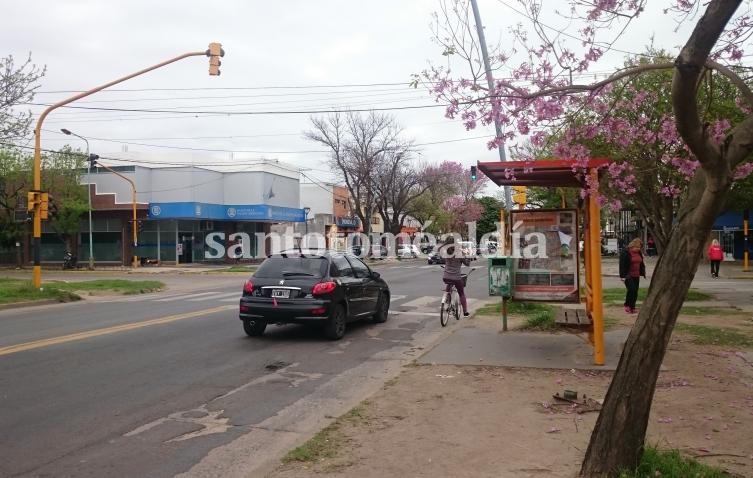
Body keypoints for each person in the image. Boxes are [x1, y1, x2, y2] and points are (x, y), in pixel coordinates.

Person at [440, 236, 471, 316]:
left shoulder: (445, 253)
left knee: (448, 286)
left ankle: (446, 302)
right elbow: (467, 264)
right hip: (456, 278)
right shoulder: (459, 253)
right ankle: (465, 312)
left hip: (446, 277)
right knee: (461, 293)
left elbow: (443, 261)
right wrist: (467, 255)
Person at [619, 238, 646, 314]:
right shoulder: (625, 253)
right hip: (628, 275)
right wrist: (623, 276)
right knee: (632, 290)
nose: (638, 249)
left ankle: (632, 307)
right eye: (637, 247)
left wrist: (643, 271)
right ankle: (627, 305)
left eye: (639, 247)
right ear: (632, 246)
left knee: (635, 292)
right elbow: (622, 265)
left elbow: (640, 263)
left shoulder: (639, 253)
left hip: (636, 275)